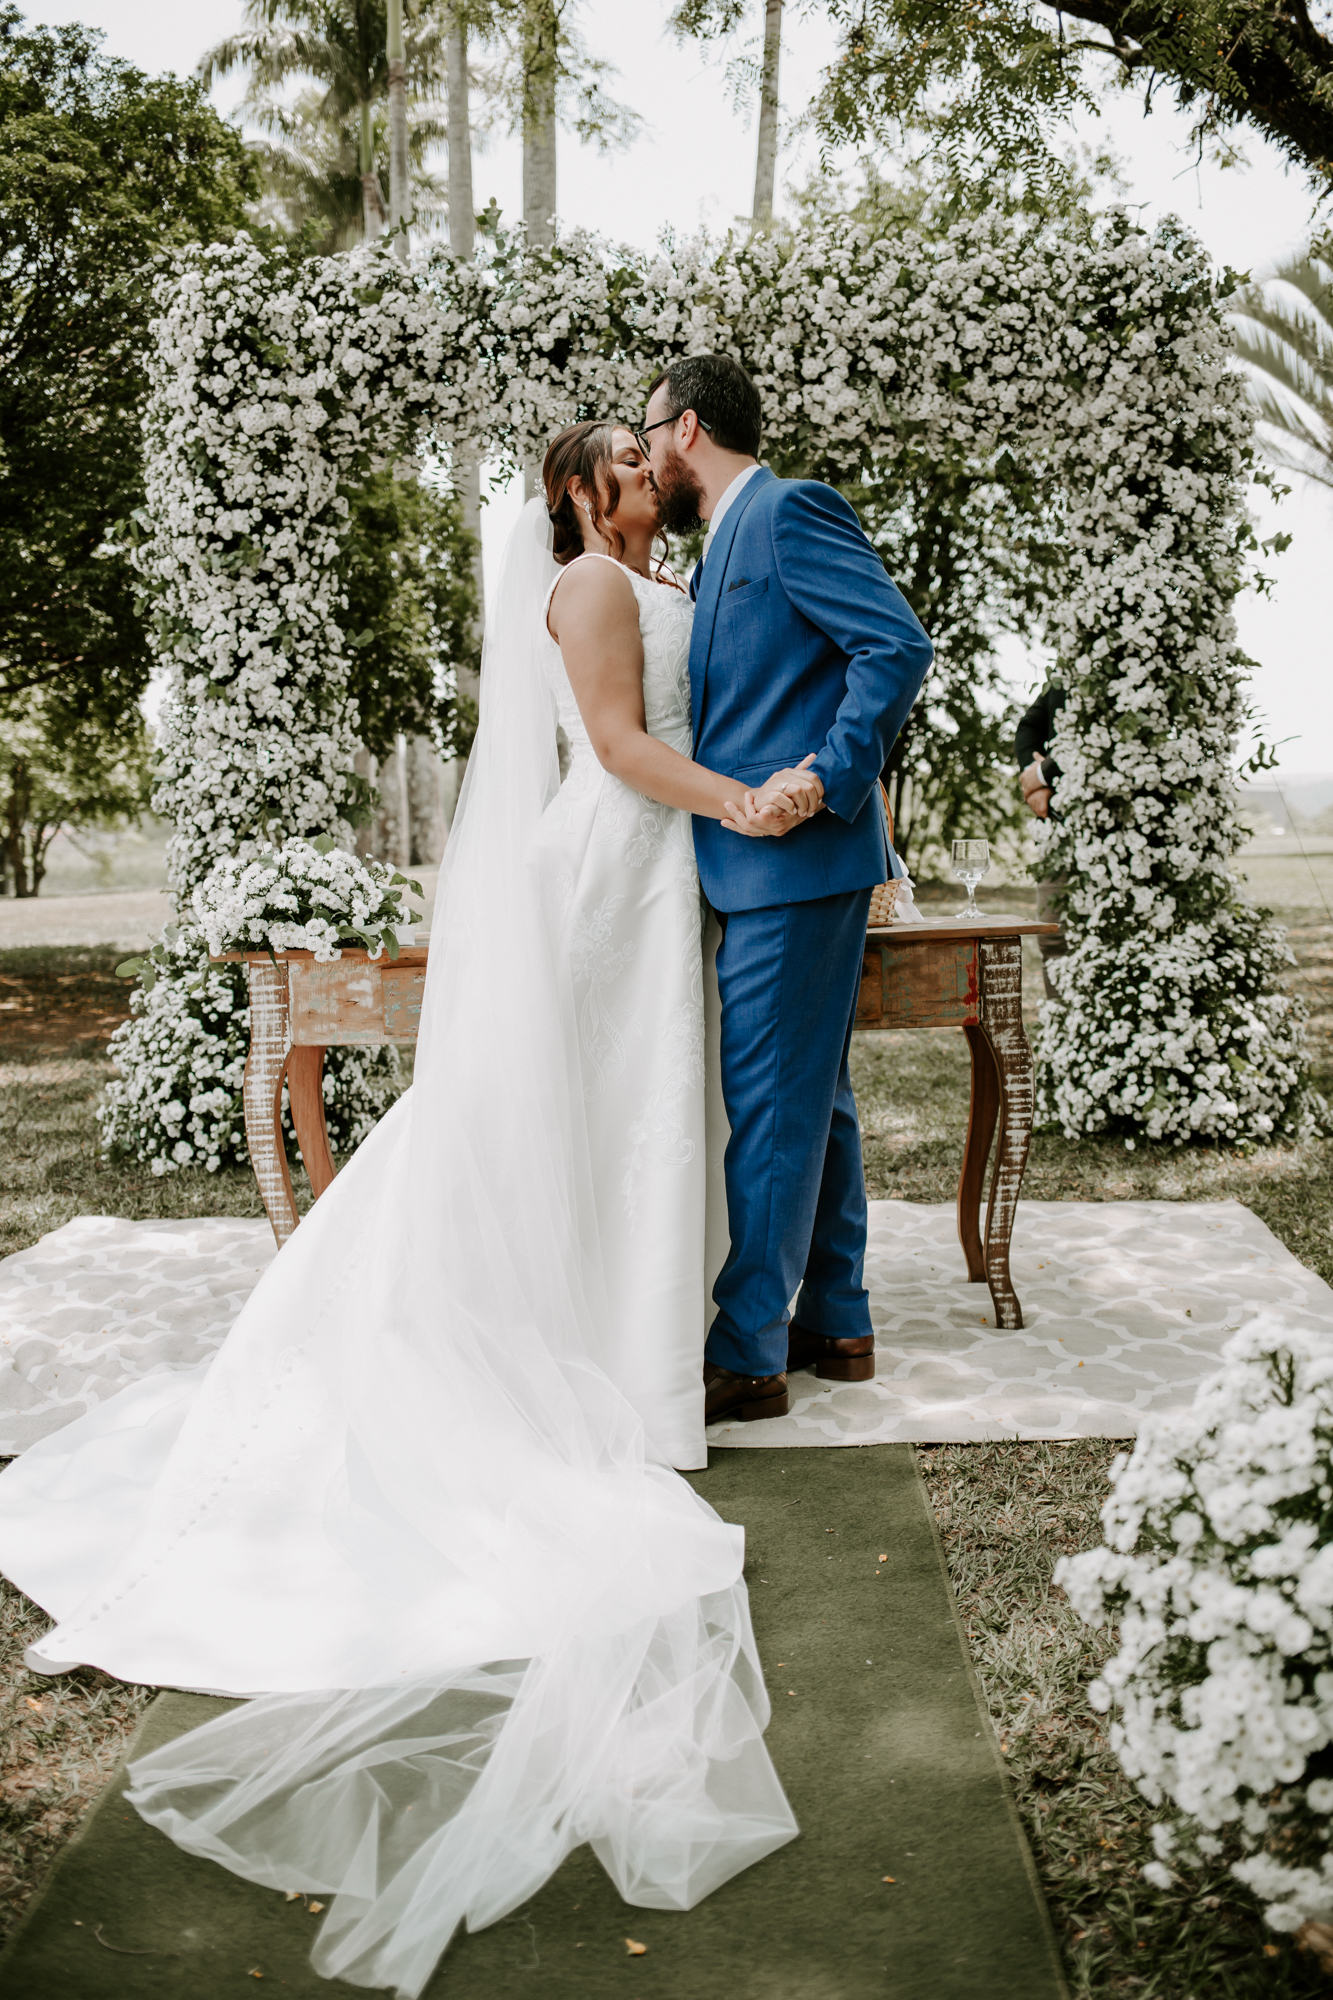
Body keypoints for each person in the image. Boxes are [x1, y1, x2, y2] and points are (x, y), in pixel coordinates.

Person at [0, 422, 803, 1998]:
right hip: (617, 866)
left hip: (662, 885)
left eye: (657, 465)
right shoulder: (585, 589)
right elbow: (625, 756)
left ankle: (622, 1349)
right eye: (633, 471)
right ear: (584, 498)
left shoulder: (666, 577)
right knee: (561, 1117)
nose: (655, 482)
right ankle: (561, 1356)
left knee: (639, 1129)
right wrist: (746, 802)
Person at [635, 356, 933, 1427]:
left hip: (794, 864)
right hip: (748, 868)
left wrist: (824, 774)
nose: (645, 450)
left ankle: (749, 1347)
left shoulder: (790, 510)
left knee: (766, 1102)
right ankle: (836, 1317)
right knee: (817, 1098)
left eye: (648, 430)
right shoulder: (715, 552)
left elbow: (894, 645)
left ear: (689, 427)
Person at [1014, 682, 1068, 999]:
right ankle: (1065, 1032)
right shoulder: (1065, 671)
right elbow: (1028, 727)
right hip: (1056, 827)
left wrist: (1045, 774)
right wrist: (1034, 780)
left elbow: (1098, 738)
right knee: (1052, 934)